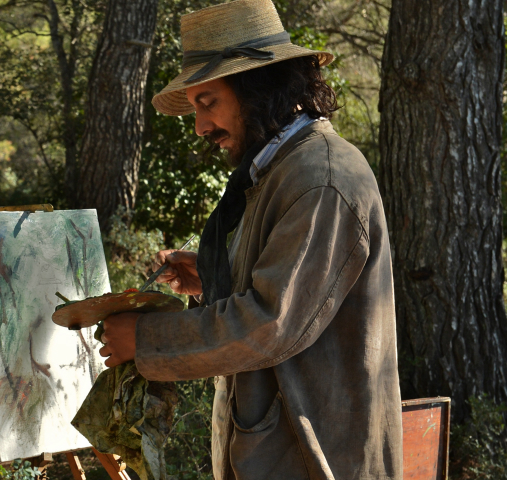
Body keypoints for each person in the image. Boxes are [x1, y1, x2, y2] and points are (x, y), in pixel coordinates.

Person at [97, 1, 403, 479]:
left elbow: (270, 322)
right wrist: (218, 274)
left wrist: (146, 338)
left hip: (318, 460)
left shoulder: (319, 176)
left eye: (208, 101)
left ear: (258, 89)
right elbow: (292, 293)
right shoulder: (282, 167)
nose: (200, 126)